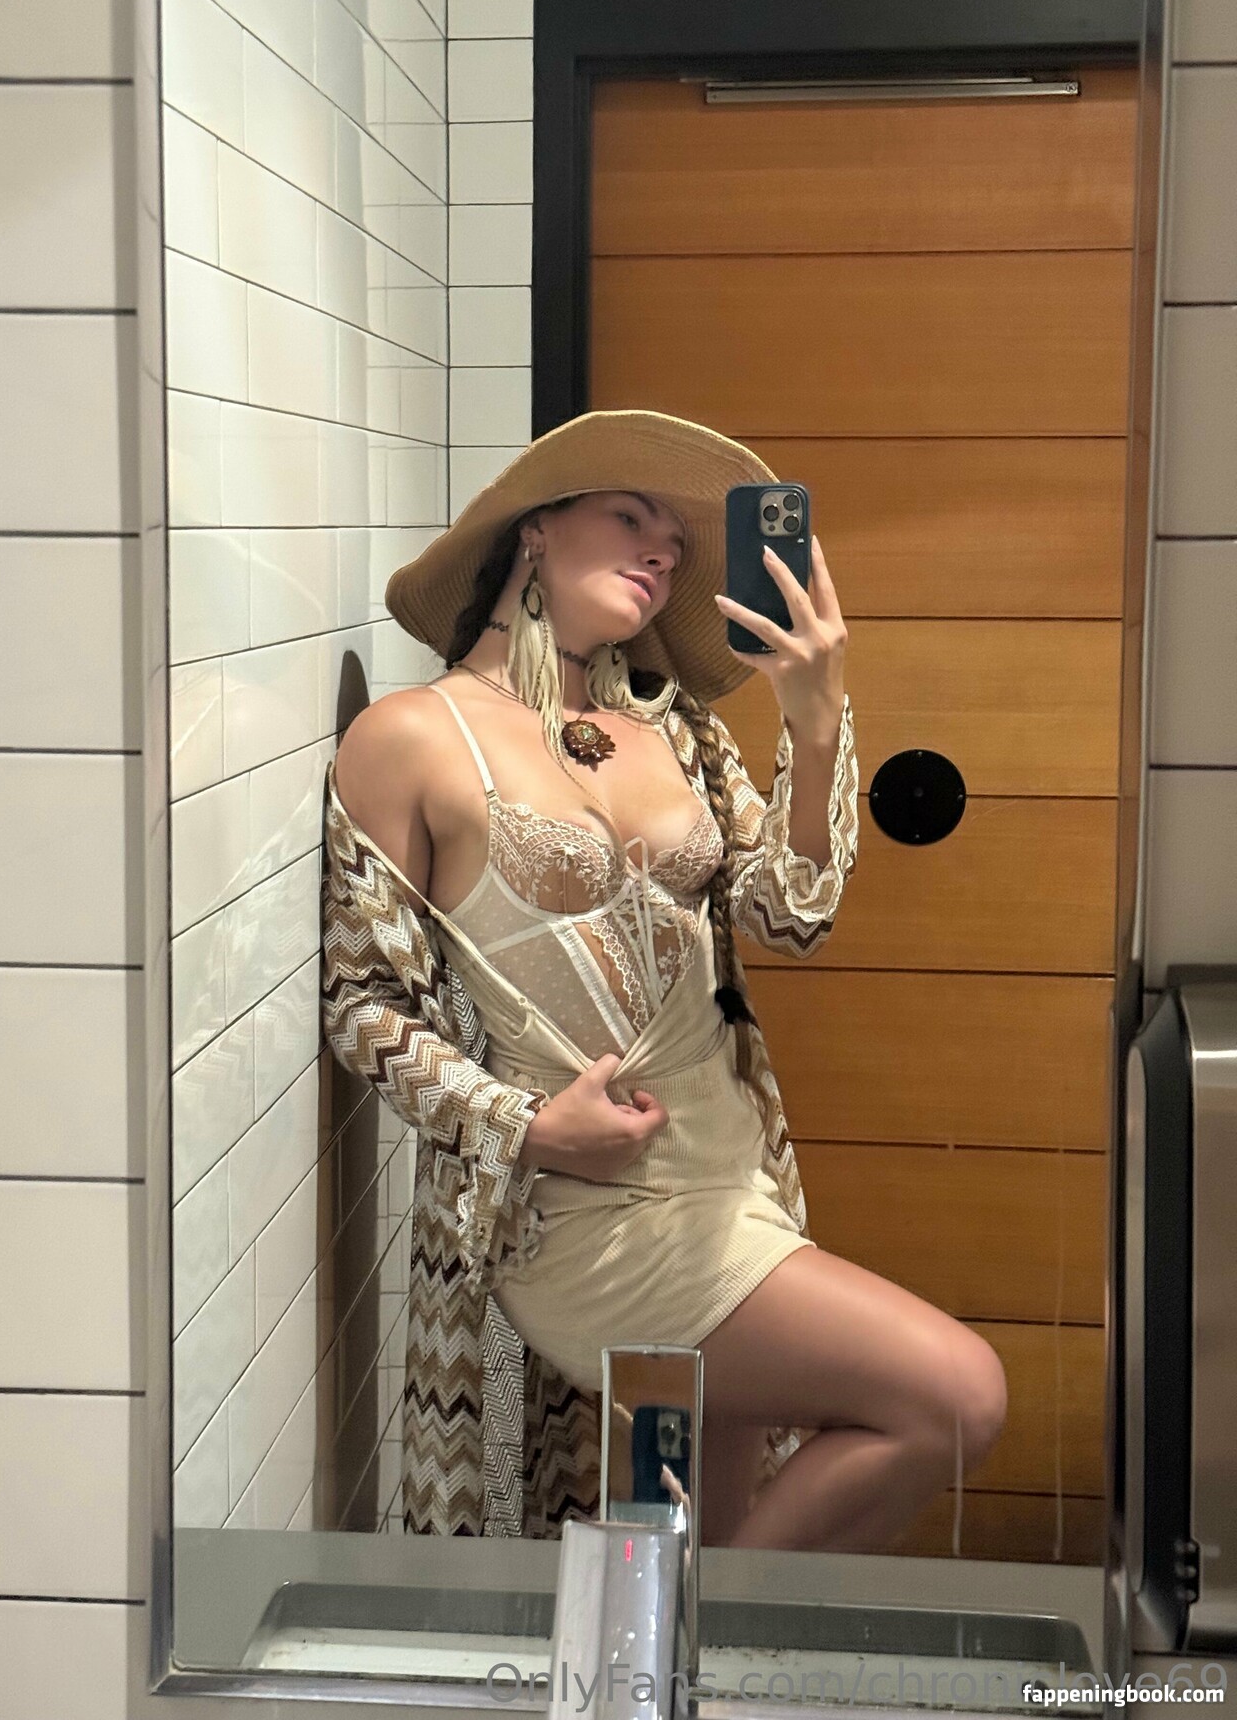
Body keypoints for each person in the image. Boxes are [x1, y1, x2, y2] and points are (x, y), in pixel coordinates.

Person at [321, 408, 1007, 1549]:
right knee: (955, 1396)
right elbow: (362, 1003)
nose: (661, 552)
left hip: (730, 1170)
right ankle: (699, 1631)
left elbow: (791, 918)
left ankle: (667, 1638)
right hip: (588, 1211)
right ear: (536, 530)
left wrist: (816, 726)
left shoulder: (678, 730)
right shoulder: (413, 736)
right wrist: (528, 1127)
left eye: (677, 544)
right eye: (630, 517)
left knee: (680, 1517)